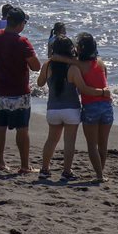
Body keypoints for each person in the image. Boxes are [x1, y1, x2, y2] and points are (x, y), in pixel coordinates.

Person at [0, 6, 41, 174]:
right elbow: (35, 66)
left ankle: (0, 162)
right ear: (20, 24)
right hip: (19, 90)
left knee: (0, 125)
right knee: (22, 128)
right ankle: (25, 165)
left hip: (0, 89)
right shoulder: (22, 41)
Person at [69, 32, 113, 183]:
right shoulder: (100, 62)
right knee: (103, 143)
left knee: (92, 145)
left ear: (80, 49)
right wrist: (103, 93)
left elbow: (85, 90)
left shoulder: (78, 65)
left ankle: (99, 175)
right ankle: (100, 172)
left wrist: (54, 57)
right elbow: (105, 81)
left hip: (90, 106)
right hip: (107, 105)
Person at [37, 36, 80, 179]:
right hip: (71, 109)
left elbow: (40, 83)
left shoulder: (48, 65)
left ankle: (44, 169)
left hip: (53, 109)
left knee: (51, 140)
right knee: (69, 142)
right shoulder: (73, 67)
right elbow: (81, 88)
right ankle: (66, 172)